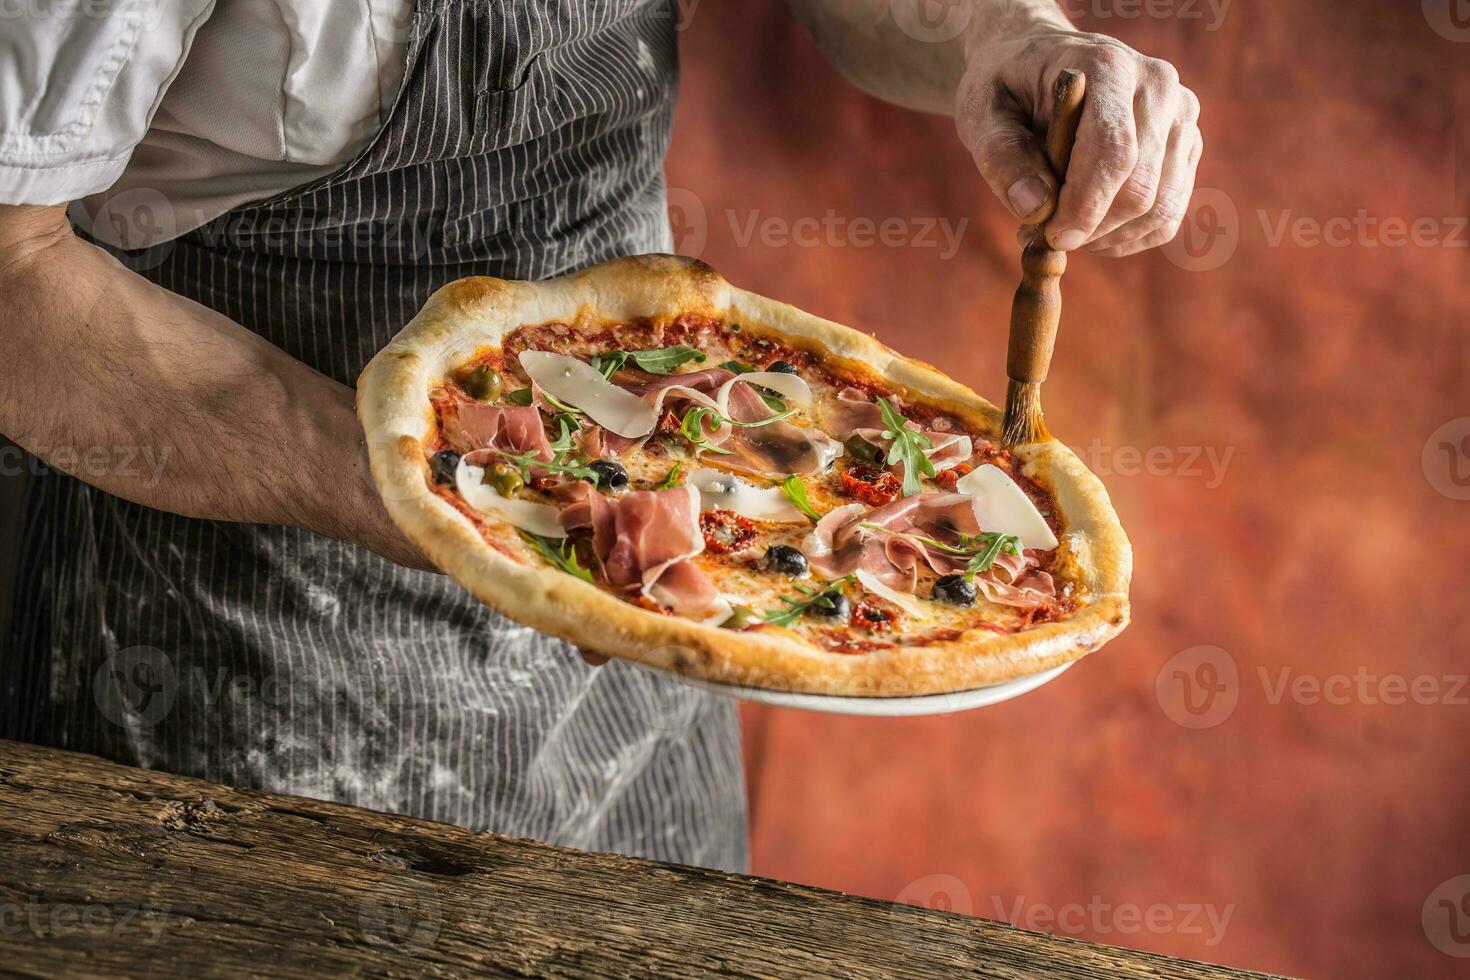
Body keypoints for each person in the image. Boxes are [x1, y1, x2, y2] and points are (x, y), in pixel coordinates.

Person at [0, 1, 1200, 873]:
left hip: (669, 616)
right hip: (257, 635)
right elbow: (12, 277)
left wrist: (1002, 34)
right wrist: (463, 512)